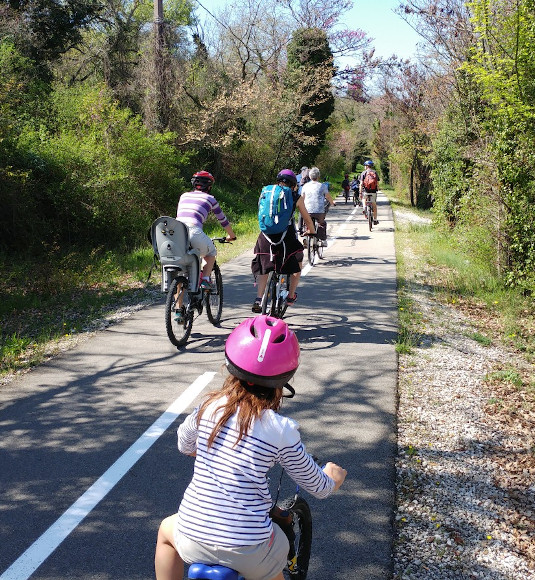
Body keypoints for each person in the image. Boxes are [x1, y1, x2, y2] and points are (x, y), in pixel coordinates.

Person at [154, 315, 347, 580]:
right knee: (273, 564)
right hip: (247, 548)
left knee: (166, 532)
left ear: (230, 364)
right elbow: (319, 487)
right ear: (285, 377)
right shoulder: (281, 430)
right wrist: (333, 478)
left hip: (192, 536)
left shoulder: (209, 407)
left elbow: (185, 444)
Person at [251, 169, 316, 312]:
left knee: (264, 265)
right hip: (286, 237)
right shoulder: (295, 197)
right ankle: (291, 296)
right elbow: (307, 219)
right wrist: (311, 230)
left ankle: (259, 298)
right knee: (297, 260)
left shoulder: (267, 193)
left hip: (265, 236)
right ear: (294, 185)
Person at [176, 171, 236, 290]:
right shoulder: (210, 198)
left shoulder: (184, 195)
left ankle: (178, 308)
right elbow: (223, 220)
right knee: (210, 252)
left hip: (177, 233)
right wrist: (232, 236)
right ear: (209, 186)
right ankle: (205, 280)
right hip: (194, 232)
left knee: (181, 275)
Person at [300, 167, 335, 246]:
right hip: (319, 211)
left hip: (307, 210)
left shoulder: (305, 186)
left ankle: (305, 238)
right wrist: (332, 203)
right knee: (321, 223)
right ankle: (323, 240)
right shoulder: (322, 186)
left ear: (309, 176)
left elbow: (302, 198)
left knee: (307, 223)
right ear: (318, 176)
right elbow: (328, 197)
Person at [359, 161, 380, 225]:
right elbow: (377, 183)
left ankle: (364, 207)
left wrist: (360, 192)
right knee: (374, 205)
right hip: (373, 191)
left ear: (366, 166)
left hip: (366, 191)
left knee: (363, 199)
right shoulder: (375, 172)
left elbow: (361, 184)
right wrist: (377, 189)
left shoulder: (363, 173)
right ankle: (375, 220)